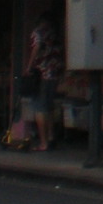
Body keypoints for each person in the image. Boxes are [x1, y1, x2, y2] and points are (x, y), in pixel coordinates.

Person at [26, 13, 64, 151]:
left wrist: (29, 67)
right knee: (49, 107)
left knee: (40, 108)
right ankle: (51, 137)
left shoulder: (38, 33)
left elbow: (36, 47)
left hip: (41, 74)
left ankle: (43, 143)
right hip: (54, 74)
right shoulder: (54, 34)